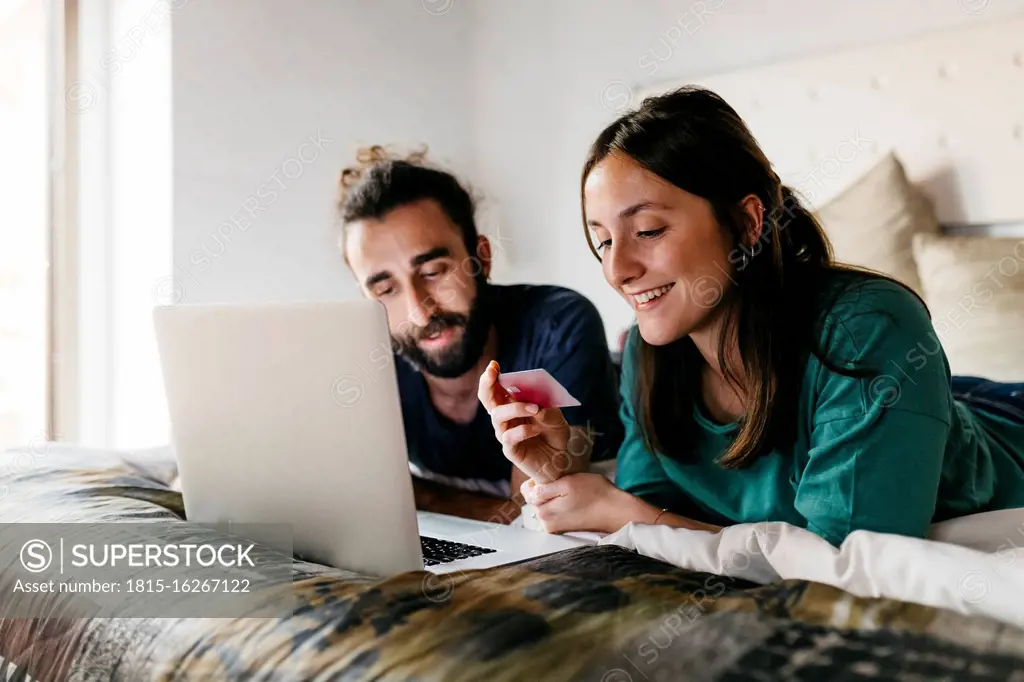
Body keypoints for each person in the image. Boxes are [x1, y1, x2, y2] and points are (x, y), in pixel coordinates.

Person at [478, 87, 1024, 547]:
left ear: (745, 223)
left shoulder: (866, 330)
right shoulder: (651, 350)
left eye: (647, 231)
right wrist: (566, 471)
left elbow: (851, 559)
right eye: (601, 242)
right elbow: (655, 505)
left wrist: (627, 515)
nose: (617, 270)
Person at [338, 146, 623, 523]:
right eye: (385, 289)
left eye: (434, 272)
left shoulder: (555, 324)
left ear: (481, 258)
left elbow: (534, 513)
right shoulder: (364, 357)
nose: (419, 311)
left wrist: (423, 494)